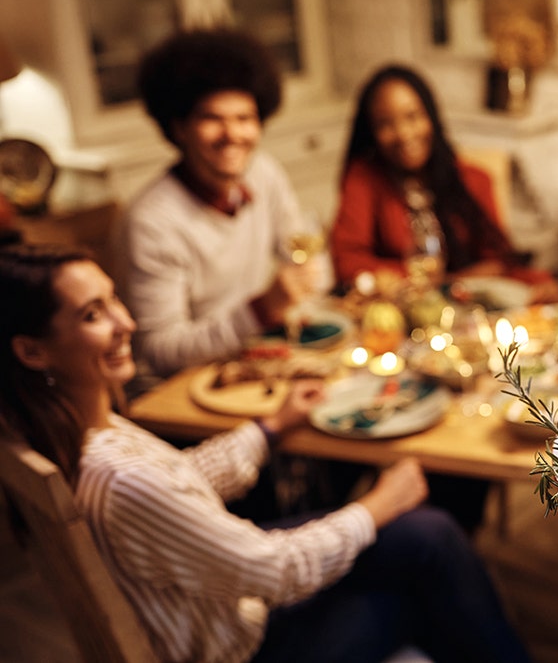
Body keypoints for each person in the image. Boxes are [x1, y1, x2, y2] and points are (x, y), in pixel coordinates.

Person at [0, 243, 531, 663]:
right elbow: (276, 570)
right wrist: (380, 503)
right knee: (429, 570)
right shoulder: (120, 477)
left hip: (220, 606)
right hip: (243, 645)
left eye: (114, 299)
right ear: (30, 350)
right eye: (94, 315)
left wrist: (270, 428)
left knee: (428, 534)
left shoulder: (73, 435)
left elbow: (178, 480)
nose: (126, 323)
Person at [114, 28, 332, 381]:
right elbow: (160, 350)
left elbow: (306, 255)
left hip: (251, 363)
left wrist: (305, 288)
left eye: (245, 118)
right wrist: (262, 310)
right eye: (212, 119)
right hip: (180, 393)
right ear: (179, 128)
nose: (232, 134)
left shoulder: (264, 173)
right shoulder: (151, 220)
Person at [329, 64, 558, 303]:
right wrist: (431, 281)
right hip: (397, 314)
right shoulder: (364, 178)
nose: (403, 133)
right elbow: (347, 261)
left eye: (412, 116)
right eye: (385, 124)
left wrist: (446, 282)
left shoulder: (472, 179)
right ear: (372, 132)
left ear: (430, 116)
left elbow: (498, 262)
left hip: (468, 308)